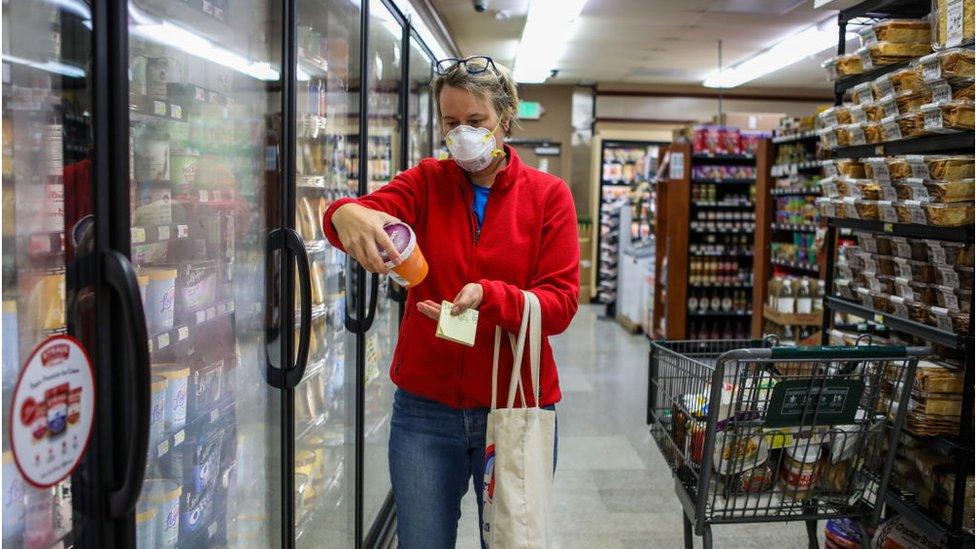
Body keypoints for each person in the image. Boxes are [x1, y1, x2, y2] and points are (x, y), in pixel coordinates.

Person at [321, 55, 580, 548]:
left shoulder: (548, 196)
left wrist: (490, 297)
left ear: (504, 118)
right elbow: (367, 214)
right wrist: (345, 213)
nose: (462, 133)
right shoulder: (426, 181)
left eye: (476, 122)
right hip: (425, 409)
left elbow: (561, 304)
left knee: (510, 541)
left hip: (515, 402)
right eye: (451, 122)